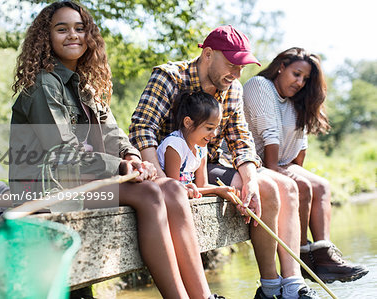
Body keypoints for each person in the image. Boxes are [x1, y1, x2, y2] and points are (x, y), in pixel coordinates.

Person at [0, 2, 225, 298]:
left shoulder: (85, 87)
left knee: (169, 188)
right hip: (50, 183)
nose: (73, 35)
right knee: (150, 194)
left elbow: (114, 134)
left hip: (83, 179)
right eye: (62, 29)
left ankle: (203, 296)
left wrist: (131, 156)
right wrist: (120, 167)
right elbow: (63, 151)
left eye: (80, 28)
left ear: (89, 35)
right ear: (46, 37)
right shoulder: (44, 85)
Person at [129, 25, 319, 299]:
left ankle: (287, 286)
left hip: (206, 163)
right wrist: (161, 179)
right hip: (166, 166)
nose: (237, 74)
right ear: (208, 54)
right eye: (232, 64)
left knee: (283, 187)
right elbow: (142, 128)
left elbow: (241, 141)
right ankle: (270, 288)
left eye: (242, 68)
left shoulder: (233, 89)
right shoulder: (169, 77)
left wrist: (251, 180)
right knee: (268, 187)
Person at [243, 47, 369, 283]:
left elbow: (299, 145)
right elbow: (269, 132)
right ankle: (301, 256)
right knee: (300, 184)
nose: (300, 82)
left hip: (279, 162)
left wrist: (292, 169)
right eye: (296, 74)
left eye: (305, 79)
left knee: (320, 186)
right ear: (281, 67)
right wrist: (277, 169)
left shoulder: (294, 101)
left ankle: (324, 256)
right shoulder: (260, 86)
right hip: (253, 161)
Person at [156, 90, 240, 202]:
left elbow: (203, 185)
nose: (214, 134)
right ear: (188, 123)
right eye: (209, 128)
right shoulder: (175, 145)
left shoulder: (201, 147)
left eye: (216, 128)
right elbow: (173, 190)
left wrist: (225, 190)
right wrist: (216, 191)